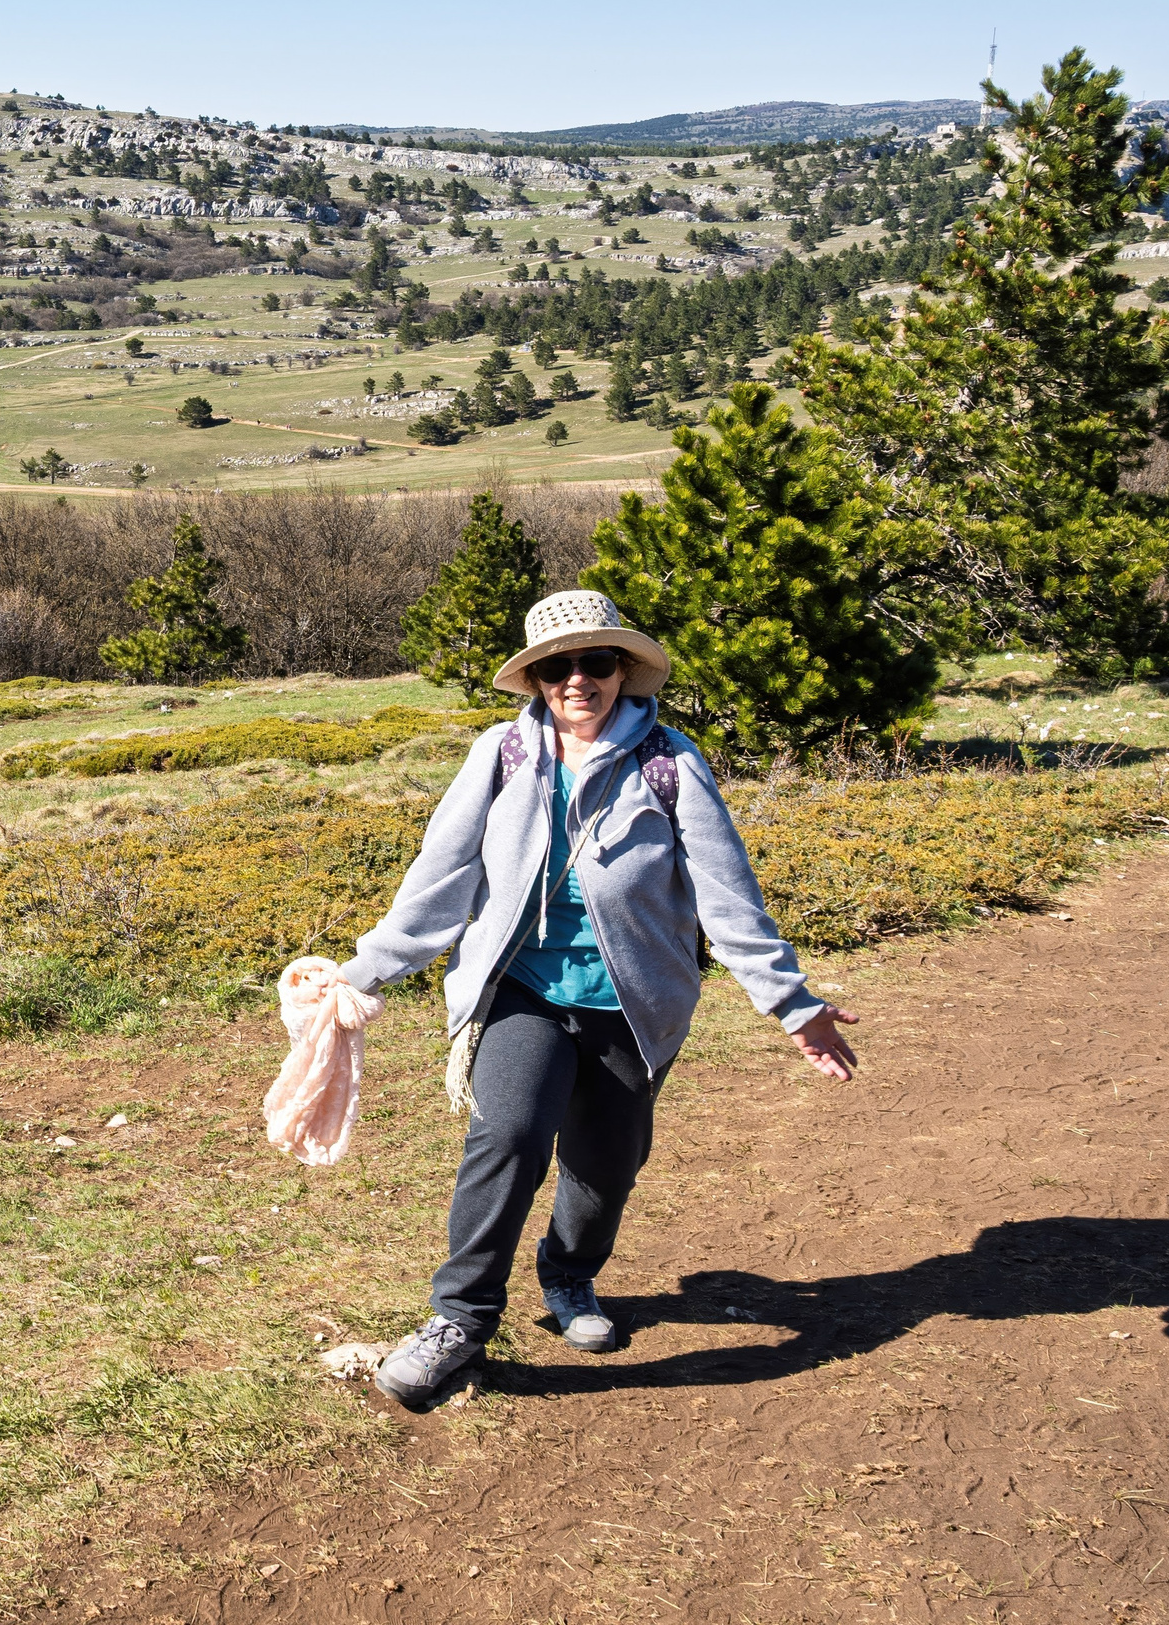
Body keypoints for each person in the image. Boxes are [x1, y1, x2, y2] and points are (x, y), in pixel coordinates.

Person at [345, 590, 860, 1413]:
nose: (577, 678)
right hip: (525, 991)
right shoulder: (500, 755)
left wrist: (791, 1003)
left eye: (596, 661)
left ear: (623, 669)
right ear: (537, 677)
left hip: (635, 1004)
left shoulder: (669, 759)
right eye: (558, 665)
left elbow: (727, 896)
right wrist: (363, 973)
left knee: (606, 1164)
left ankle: (570, 1275)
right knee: (508, 1133)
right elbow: (437, 883)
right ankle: (458, 1320)